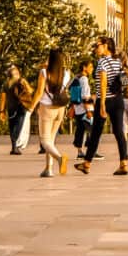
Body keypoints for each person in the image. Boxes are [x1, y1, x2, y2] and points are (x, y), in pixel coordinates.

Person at [75, 37, 128, 176]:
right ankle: (124, 163)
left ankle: (87, 164)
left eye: (97, 45)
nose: (95, 48)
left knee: (96, 133)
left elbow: (103, 82)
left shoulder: (102, 62)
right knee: (119, 132)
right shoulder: (118, 61)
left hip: (105, 101)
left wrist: (103, 105)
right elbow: (125, 80)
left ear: (105, 46)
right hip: (118, 100)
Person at [28, 49, 71, 177]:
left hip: (47, 108)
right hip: (60, 108)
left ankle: (59, 158)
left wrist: (30, 108)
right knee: (51, 140)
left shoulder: (44, 73)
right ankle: (48, 168)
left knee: (44, 141)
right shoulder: (66, 73)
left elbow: (39, 92)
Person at [0, 65, 33, 155]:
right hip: (21, 106)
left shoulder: (6, 84)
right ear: (17, 73)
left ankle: (14, 146)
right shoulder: (22, 80)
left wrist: (1, 111)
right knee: (19, 126)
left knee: (12, 127)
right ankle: (16, 147)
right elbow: (30, 91)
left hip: (10, 108)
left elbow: (2, 98)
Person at [70, 58, 99, 157]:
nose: (92, 69)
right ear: (84, 67)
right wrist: (89, 111)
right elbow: (85, 97)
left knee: (80, 130)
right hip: (85, 109)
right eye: (90, 67)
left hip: (78, 109)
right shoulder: (84, 79)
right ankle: (92, 152)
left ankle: (80, 152)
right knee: (92, 131)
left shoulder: (76, 77)